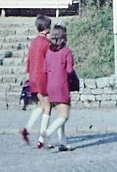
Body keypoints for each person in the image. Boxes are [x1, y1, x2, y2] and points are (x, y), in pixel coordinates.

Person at [39, 23, 75, 151]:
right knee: (64, 116)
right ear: (64, 37)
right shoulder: (67, 51)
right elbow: (69, 70)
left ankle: (63, 142)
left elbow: (44, 69)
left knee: (59, 115)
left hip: (50, 86)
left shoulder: (48, 52)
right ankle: (47, 133)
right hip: (62, 85)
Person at [19, 14, 52, 144]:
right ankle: (42, 138)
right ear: (47, 28)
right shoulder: (47, 43)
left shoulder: (33, 42)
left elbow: (29, 60)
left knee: (41, 105)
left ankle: (27, 128)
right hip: (43, 77)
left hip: (33, 76)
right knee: (48, 107)